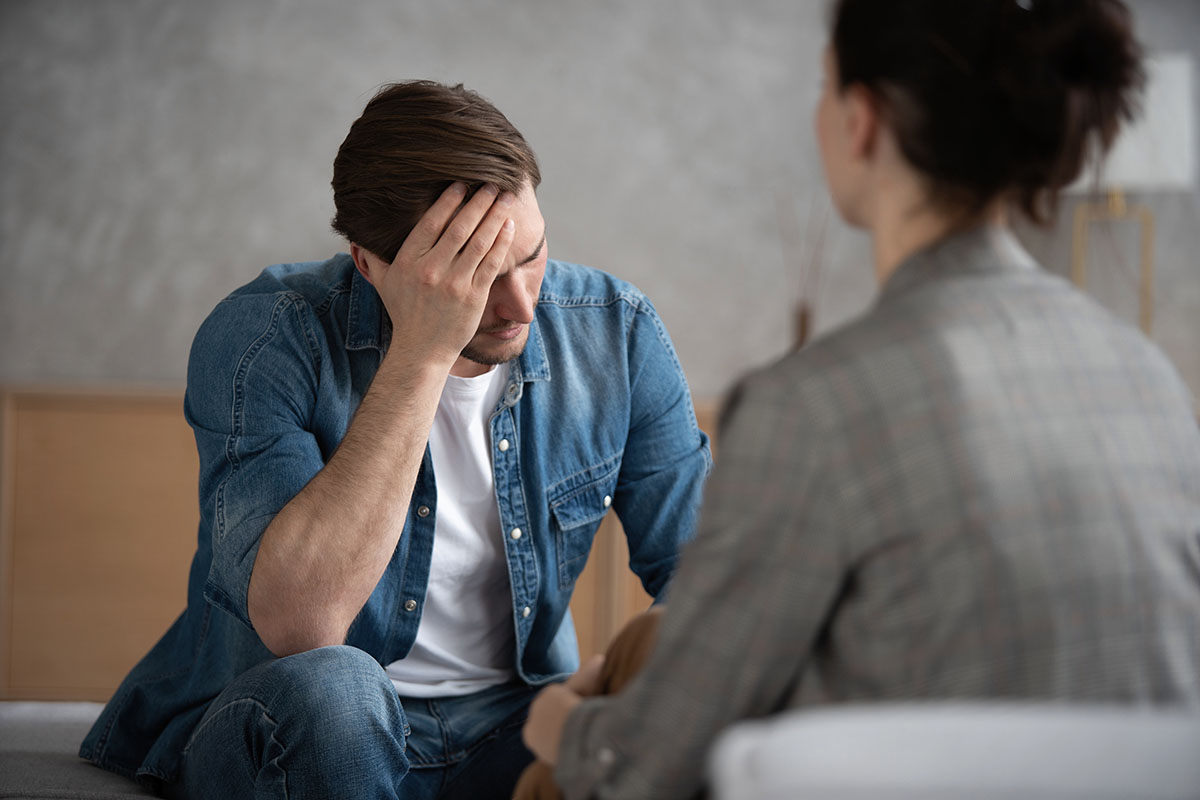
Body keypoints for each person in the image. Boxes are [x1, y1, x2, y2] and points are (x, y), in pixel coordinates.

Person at [522, 1, 1200, 797]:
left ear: (862, 121)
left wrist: (558, 717)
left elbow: (643, 764)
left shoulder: (810, 406)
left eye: (824, 87)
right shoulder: (1145, 373)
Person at [79, 80, 711, 800]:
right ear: (369, 263)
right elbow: (303, 623)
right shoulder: (267, 336)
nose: (519, 305)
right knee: (340, 688)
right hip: (302, 721)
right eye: (472, 278)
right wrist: (422, 353)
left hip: (513, 725)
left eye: (531, 255)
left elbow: (711, 580)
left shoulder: (614, 330)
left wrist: (614, 688)